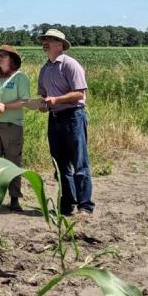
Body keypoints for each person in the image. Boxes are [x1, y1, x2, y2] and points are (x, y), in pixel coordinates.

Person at [36, 29, 94, 217]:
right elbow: (44, 95)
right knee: (60, 165)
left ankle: (85, 206)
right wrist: (44, 104)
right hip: (54, 119)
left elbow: (79, 93)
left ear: (60, 45)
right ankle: (68, 204)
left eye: (51, 40)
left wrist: (56, 100)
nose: (46, 42)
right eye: (45, 39)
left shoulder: (70, 65)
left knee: (79, 163)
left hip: (73, 116)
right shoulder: (45, 69)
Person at [0, 45, 31, 211]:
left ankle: (14, 198)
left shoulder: (20, 78)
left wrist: (5, 106)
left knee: (12, 162)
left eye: (3, 55)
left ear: (12, 60)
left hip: (12, 126)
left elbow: (25, 102)